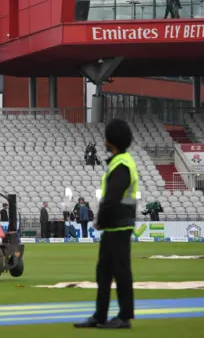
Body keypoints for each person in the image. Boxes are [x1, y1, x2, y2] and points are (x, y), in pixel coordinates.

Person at [75, 118, 138, 329]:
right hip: (117, 225)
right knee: (104, 272)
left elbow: (112, 197)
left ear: (112, 139)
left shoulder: (121, 165)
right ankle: (100, 315)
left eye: (106, 136)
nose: (103, 139)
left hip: (118, 225)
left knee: (119, 271)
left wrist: (100, 220)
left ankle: (123, 317)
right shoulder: (120, 162)